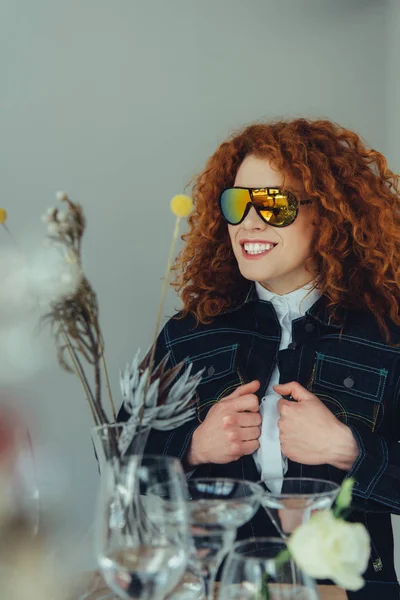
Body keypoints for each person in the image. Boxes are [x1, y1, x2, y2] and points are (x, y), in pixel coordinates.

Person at [119, 118, 400, 589]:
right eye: (238, 203)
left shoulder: (387, 334)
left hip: (348, 592)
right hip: (216, 586)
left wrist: (346, 448)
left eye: (274, 204)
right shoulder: (188, 333)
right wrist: (192, 448)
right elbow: (121, 461)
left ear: (328, 215)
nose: (250, 221)